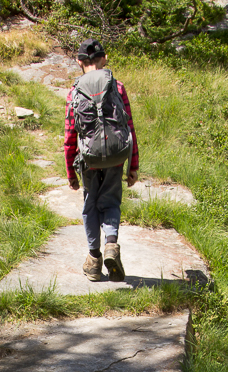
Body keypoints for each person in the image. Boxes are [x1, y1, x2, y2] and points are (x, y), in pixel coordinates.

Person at [65, 39, 139, 282]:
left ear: (79, 62)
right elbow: (129, 127)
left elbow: (70, 135)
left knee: (90, 204)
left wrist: (70, 172)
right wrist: (133, 165)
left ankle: (94, 261)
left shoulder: (74, 91)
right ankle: (111, 246)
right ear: (104, 58)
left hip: (87, 158)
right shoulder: (117, 87)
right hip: (116, 157)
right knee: (110, 201)